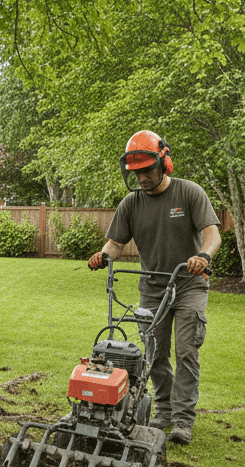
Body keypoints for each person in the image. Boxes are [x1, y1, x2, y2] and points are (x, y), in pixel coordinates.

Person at [88, 130, 221, 446]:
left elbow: (212, 234)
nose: (143, 177)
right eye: (136, 172)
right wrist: (103, 256)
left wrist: (203, 255)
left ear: (165, 163)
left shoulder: (189, 193)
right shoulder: (131, 203)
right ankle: (163, 411)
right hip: (152, 288)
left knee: (186, 350)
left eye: (147, 170)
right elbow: (116, 243)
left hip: (188, 285)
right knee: (155, 354)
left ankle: (183, 420)